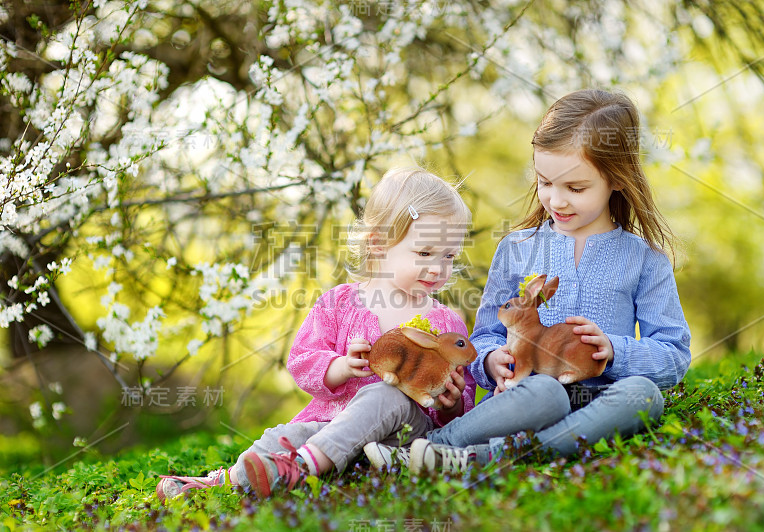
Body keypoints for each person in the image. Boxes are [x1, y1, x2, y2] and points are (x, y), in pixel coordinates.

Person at [366, 89, 692, 473]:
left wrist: (614, 351)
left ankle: (479, 457)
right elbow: (484, 335)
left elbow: (674, 354)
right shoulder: (517, 248)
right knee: (548, 392)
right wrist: (491, 362)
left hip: (599, 399)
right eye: (545, 182)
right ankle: (432, 447)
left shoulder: (644, 259)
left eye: (576, 188)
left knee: (645, 396)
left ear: (616, 179)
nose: (557, 200)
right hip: (527, 397)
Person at [155, 167, 476, 501]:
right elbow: (302, 360)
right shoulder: (339, 303)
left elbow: (459, 405)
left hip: (400, 440)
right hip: (328, 427)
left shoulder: (445, 323)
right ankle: (223, 483)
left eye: (449, 255)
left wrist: (451, 403)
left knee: (387, 395)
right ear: (380, 243)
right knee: (287, 434)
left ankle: (301, 469)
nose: (439, 268)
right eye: (424, 253)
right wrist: (340, 367)